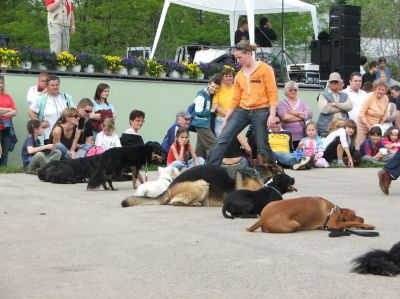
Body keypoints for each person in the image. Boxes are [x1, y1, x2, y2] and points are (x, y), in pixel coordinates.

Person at [207, 41, 277, 166]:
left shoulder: (265, 69)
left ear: (249, 54)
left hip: (261, 110)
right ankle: (208, 170)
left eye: (240, 57)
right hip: (242, 110)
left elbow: (272, 93)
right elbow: (235, 99)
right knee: (223, 138)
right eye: (236, 58)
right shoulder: (239, 75)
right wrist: (226, 119)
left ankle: (274, 175)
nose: (237, 60)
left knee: (262, 144)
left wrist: (272, 115)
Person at [28, 74, 75, 144]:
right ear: (47, 86)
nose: (55, 87)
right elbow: (30, 111)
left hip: (65, 135)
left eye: (57, 85)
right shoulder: (41, 99)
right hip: (48, 135)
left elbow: (74, 111)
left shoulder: (66, 97)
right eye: (52, 85)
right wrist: (39, 123)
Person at [190, 77, 220, 160]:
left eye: (216, 88)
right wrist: (212, 110)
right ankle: (212, 166)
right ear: (208, 85)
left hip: (203, 124)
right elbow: (198, 111)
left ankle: (197, 167)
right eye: (212, 86)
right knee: (214, 145)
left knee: (200, 149)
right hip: (201, 124)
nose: (214, 89)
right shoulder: (202, 94)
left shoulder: (209, 95)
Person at [277, 80, 313, 148]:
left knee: (300, 156)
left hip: (302, 137)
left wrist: (294, 113)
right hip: (287, 138)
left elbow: (310, 114)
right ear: (286, 92)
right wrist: (302, 116)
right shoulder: (282, 103)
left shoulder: (303, 102)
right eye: (290, 90)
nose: (293, 91)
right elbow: (285, 117)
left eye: (295, 90)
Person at [356, 79, 389, 150]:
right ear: (375, 89)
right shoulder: (369, 96)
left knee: (374, 146)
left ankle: (372, 157)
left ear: (385, 91)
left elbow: (384, 115)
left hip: (375, 125)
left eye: (383, 90)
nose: (381, 91)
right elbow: (361, 113)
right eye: (379, 89)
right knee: (360, 145)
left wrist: (380, 125)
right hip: (363, 124)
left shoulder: (386, 98)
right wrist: (368, 125)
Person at [317, 72, 352, 137]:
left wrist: (334, 104)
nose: (333, 83)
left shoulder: (345, 95)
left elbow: (349, 106)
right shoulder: (323, 95)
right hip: (327, 128)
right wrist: (342, 108)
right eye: (331, 82)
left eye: (335, 81)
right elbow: (324, 109)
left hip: (344, 128)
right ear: (328, 82)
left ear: (339, 83)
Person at [212, 68, 235, 138]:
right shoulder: (218, 88)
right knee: (220, 141)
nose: (228, 78)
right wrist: (227, 115)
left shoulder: (237, 88)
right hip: (220, 120)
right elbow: (215, 105)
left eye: (230, 76)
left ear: (233, 77)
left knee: (232, 143)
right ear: (222, 77)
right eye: (226, 76)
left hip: (234, 120)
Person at [0, 75, 17, 166]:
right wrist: (8, 109)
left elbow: (14, 112)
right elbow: (11, 110)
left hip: (7, 127)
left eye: (2, 83)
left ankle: (3, 172)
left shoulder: (8, 97)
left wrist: (2, 112)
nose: (0, 85)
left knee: (5, 152)